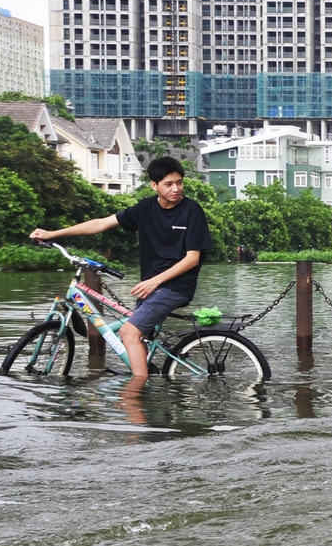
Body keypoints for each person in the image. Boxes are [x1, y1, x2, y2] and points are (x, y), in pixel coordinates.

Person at [30, 156, 213, 379]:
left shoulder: (192, 210)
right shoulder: (145, 208)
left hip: (175, 287)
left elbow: (192, 258)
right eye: (169, 184)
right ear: (154, 185)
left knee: (128, 332)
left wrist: (155, 281)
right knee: (138, 336)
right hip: (150, 287)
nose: (176, 189)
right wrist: (53, 233)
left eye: (179, 182)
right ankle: (148, 385)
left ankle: (135, 394)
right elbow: (101, 223)